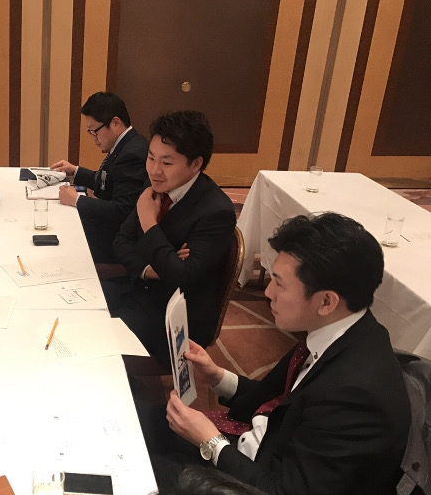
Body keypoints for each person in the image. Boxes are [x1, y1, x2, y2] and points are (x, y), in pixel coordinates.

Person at [138, 213, 411, 494]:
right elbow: (277, 403)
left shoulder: (354, 396)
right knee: (132, 416)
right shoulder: (332, 332)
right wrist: (216, 376)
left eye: (280, 283)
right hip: (251, 445)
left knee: (129, 468)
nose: (268, 292)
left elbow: (284, 489)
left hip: (253, 479)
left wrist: (211, 442)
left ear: (326, 301)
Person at [110, 111, 236, 362]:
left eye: (167, 163)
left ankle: (125, 383)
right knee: (76, 309)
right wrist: (153, 269)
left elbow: (184, 278)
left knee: (95, 341)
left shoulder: (216, 212)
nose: (154, 171)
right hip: (140, 290)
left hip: (174, 321)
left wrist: (149, 223)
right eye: (151, 158)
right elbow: (121, 242)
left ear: (196, 164)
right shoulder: (155, 188)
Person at [50, 91, 148, 263]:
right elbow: (107, 180)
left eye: (94, 131)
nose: (93, 138)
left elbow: (123, 210)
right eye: (90, 132)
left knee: (60, 237)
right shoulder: (125, 144)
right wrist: (75, 171)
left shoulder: (132, 154)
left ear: (115, 123)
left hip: (116, 239)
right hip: (109, 228)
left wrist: (77, 200)